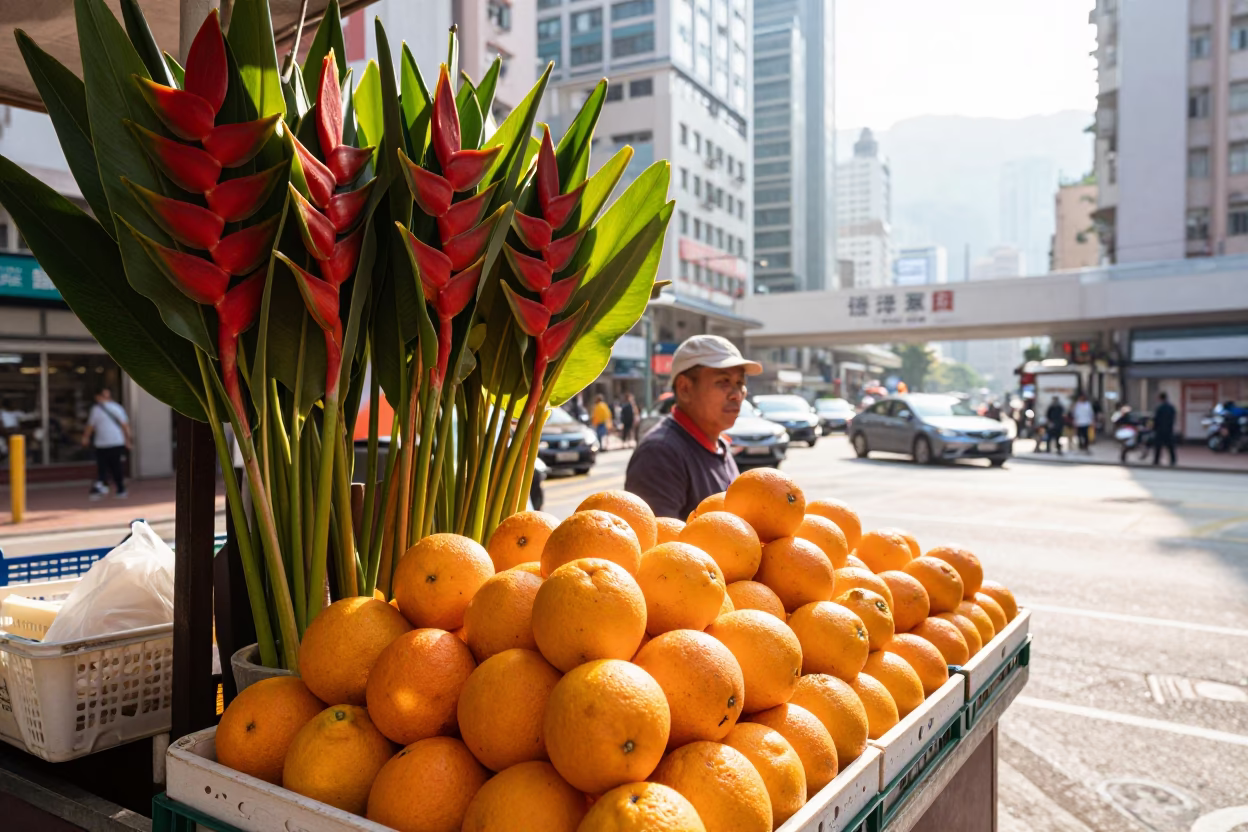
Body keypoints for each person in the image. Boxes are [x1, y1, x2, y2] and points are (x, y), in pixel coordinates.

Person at [624, 335, 762, 518]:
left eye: (740, 383)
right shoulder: (660, 454)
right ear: (685, 389)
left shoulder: (719, 445)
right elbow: (658, 540)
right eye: (723, 381)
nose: (737, 395)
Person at [82, 388, 131, 498]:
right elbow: (90, 426)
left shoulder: (116, 408)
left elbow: (125, 425)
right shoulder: (96, 410)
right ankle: (105, 487)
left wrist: (127, 439)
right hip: (103, 443)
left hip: (115, 442)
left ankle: (119, 488)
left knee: (114, 467)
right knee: (104, 467)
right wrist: (86, 437)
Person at [1152, 391, 1177, 467]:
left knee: (1158, 446)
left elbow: (1156, 419)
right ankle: (1173, 460)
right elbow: (1173, 418)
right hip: (1169, 429)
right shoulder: (1171, 407)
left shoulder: (1159, 408)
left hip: (1160, 430)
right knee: (1170, 446)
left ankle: (1156, 460)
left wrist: (1154, 428)